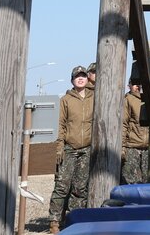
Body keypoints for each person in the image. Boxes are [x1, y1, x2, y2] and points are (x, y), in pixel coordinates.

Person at [49, 65, 94, 233]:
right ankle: (54, 220)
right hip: (69, 148)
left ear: (87, 79)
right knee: (62, 185)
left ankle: (75, 219)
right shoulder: (65, 100)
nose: (80, 78)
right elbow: (60, 125)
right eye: (77, 77)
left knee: (80, 188)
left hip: (86, 149)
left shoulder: (94, 97)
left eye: (83, 76)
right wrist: (59, 147)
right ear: (72, 80)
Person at [121, 64, 150, 185]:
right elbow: (123, 124)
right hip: (131, 147)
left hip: (148, 147)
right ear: (129, 85)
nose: (138, 86)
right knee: (132, 182)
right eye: (134, 83)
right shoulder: (127, 99)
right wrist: (122, 147)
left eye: (140, 83)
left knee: (148, 181)